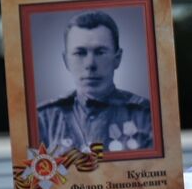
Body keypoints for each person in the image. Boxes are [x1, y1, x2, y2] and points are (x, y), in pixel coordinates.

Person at [37, 10, 154, 153]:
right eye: (80, 53)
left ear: (117, 58)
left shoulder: (146, 115)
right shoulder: (44, 119)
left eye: (100, 52)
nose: (90, 64)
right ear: (66, 60)